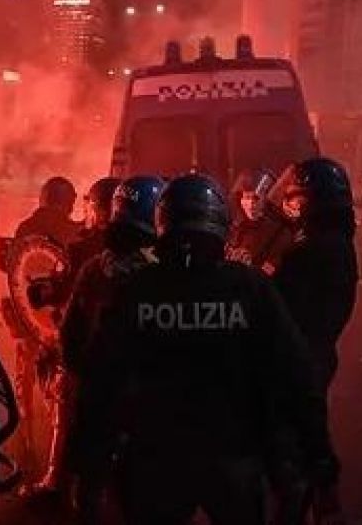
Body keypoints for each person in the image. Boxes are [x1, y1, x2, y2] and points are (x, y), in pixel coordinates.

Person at [89, 174, 335, 525]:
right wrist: (315, 453)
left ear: (163, 223)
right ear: (219, 222)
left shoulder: (138, 290)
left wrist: (89, 463)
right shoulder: (249, 287)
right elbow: (296, 372)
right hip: (234, 456)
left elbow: (102, 379)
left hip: (157, 460)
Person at [60, 176, 163, 523]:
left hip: (98, 398)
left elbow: (69, 333)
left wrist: (87, 374)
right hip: (146, 407)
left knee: (90, 488)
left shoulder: (94, 268)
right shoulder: (162, 274)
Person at [268, 158, 358, 525]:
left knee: (291, 450)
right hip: (314, 354)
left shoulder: (310, 252)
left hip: (297, 359)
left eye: (295, 199)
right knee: (307, 433)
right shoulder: (334, 244)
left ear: (311, 201)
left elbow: (280, 309)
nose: (288, 205)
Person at [2, 176, 82, 488]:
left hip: (27, 321)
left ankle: (24, 439)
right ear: (62, 200)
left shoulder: (23, 229)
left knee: (25, 380)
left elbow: (14, 274)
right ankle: (55, 448)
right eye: (71, 199)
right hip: (55, 326)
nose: (75, 205)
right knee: (56, 388)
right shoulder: (71, 232)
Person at [225, 168, 290, 274]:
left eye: (256, 198)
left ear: (266, 200)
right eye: (246, 197)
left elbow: (269, 274)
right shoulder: (234, 230)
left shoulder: (279, 233)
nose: (250, 203)